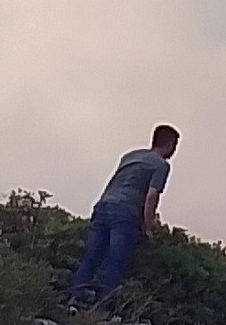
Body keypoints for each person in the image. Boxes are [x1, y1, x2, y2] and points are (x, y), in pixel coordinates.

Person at [69, 124, 178, 310]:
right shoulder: (161, 165)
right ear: (169, 145)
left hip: (103, 205)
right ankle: (104, 310)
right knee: (115, 261)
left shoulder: (130, 156)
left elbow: (114, 182)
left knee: (90, 257)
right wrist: (148, 227)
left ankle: (74, 299)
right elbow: (151, 196)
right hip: (126, 212)